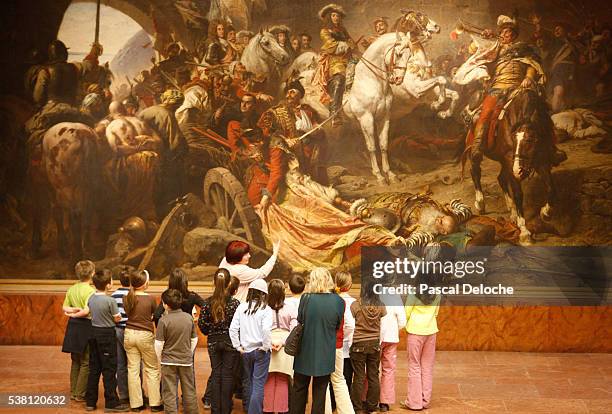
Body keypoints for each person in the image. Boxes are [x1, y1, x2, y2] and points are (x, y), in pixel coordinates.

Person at [291, 268, 345, 414]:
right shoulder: (339, 301)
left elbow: (300, 320)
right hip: (326, 350)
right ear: (329, 280)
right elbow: (338, 325)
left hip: (304, 350)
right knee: (320, 393)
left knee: (299, 389)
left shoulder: (306, 298)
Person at [257, 78, 329, 186]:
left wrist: (316, 130)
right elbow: (268, 131)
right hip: (288, 152)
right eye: (287, 92)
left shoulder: (308, 111)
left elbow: (317, 129)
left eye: (292, 92)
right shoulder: (278, 111)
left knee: (318, 177)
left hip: (309, 152)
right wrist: (286, 140)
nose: (289, 95)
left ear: (300, 95)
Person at [85, 269, 128, 412]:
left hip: (93, 333)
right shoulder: (109, 301)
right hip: (107, 335)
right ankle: (111, 403)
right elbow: (117, 318)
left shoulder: (91, 298)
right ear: (108, 285)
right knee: (109, 369)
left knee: (94, 368)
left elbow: (89, 312)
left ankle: (90, 401)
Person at [198, 269, 241, 414]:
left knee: (216, 374)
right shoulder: (235, 303)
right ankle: (226, 410)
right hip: (231, 342)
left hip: (213, 343)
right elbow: (240, 325)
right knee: (228, 375)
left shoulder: (207, 302)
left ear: (214, 282)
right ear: (229, 283)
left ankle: (215, 410)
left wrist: (211, 331)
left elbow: (202, 325)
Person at [229, 279, 274, 414]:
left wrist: (238, 347)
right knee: (258, 384)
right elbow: (266, 330)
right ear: (264, 294)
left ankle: (248, 409)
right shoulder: (266, 309)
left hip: (246, 351)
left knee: (247, 382)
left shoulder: (242, 307)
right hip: (260, 351)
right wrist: (266, 346)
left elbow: (232, 329)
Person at [155, 289, 199, 414]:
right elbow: (194, 339)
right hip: (186, 361)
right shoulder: (189, 318)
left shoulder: (164, 320)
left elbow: (159, 344)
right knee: (189, 390)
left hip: (168, 362)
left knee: (169, 392)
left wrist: (160, 359)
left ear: (166, 305)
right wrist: (188, 353)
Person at [123, 269, 163, 411]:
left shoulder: (127, 297)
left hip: (128, 334)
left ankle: (136, 404)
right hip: (145, 335)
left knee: (132, 370)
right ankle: (155, 403)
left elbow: (130, 313)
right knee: (151, 369)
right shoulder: (150, 298)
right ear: (145, 283)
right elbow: (154, 314)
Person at [400, 280, 441, 411]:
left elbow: (406, 313)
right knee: (427, 367)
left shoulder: (413, 294)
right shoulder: (437, 293)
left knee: (414, 366)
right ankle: (425, 400)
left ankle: (414, 402)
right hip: (431, 331)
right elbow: (436, 313)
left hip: (415, 332)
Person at [314, 4, 356, 126]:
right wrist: (346, 45)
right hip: (333, 60)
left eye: (337, 15)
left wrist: (351, 46)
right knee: (339, 78)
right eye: (333, 15)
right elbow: (331, 46)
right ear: (329, 17)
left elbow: (352, 43)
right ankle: (334, 113)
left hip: (347, 59)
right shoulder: (325, 31)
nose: (336, 17)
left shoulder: (343, 31)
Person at [62, 260, 96, 403]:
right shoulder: (91, 291)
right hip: (85, 326)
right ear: (92, 273)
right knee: (86, 362)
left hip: (73, 326)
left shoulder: (72, 288)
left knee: (75, 361)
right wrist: (79, 312)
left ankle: (73, 391)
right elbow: (87, 311)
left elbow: (65, 308)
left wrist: (73, 312)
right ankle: (80, 393)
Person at [349, 282, 386, 414]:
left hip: (359, 344)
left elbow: (351, 319)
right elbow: (384, 315)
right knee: (373, 376)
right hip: (374, 344)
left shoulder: (356, 305)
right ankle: (372, 407)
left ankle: (357, 408)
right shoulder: (381, 305)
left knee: (359, 377)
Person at [263, 279, 298, 413]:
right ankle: (282, 409)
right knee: (283, 378)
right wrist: (282, 342)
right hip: (285, 345)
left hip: (268, 343)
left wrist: (269, 342)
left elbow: (261, 329)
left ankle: (268, 410)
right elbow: (294, 329)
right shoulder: (290, 308)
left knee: (269, 378)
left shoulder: (263, 308)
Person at [327, 271, 355, 414]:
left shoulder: (332, 300)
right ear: (349, 285)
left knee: (333, 378)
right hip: (346, 345)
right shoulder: (351, 302)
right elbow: (350, 325)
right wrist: (345, 337)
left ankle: (332, 406)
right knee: (344, 378)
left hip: (333, 344)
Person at [378, 296, 407, 412]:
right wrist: (394, 328)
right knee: (388, 370)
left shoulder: (372, 292)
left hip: (375, 337)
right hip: (391, 338)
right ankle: (384, 402)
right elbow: (402, 321)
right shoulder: (395, 296)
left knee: (371, 369)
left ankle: (368, 399)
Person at [111, 265, 134, 405]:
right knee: (135, 363)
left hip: (117, 330)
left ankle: (123, 394)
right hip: (132, 330)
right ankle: (136, 393)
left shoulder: (113, 295)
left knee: (120, 364)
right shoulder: (134, 295)